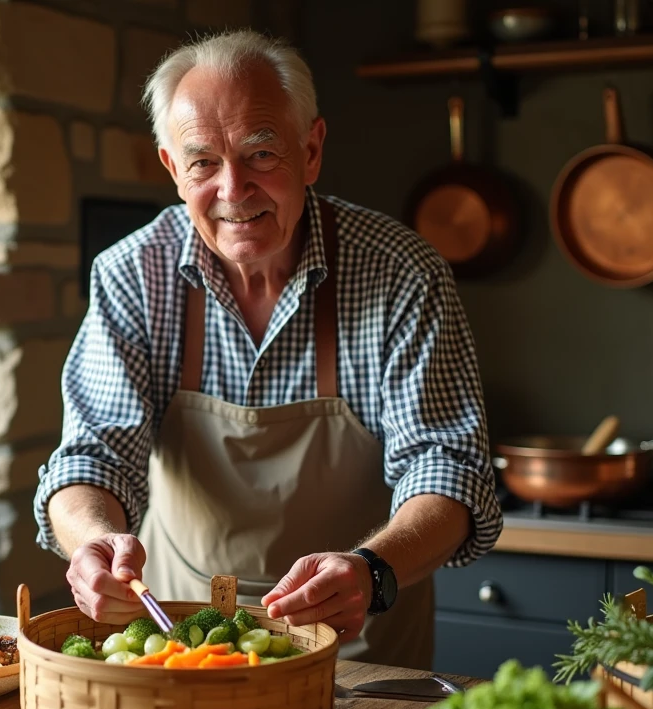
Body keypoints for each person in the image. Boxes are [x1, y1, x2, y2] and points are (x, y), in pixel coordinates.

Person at [33, 29, 502, 668]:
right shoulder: (133, 274)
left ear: (310, 151)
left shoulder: (399, 272)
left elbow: (447, 467)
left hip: (361, 659)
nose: (233, 189)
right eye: (203, 162)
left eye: (260, 154)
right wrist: (93, 541)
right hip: (177, 649)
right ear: (173, 169)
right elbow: (91, 457)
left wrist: (372, 569)